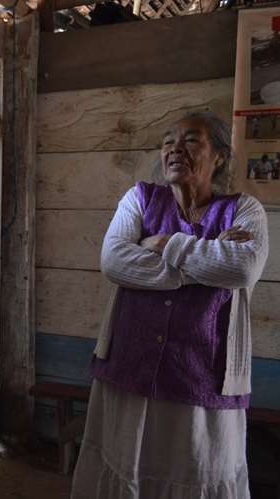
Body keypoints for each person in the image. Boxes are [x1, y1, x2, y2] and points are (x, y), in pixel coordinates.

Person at [71, 112, 269, 498]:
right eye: (167, 142)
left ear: (220, 157)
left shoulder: (246, 210)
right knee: (124, 464)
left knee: (197, 469)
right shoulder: (140, 198)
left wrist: (164, 244)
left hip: (202, 369)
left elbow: (243, 268)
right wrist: (209, 262)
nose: (175, 148)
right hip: (130, 363)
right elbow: (114, 261)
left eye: (192, 140)